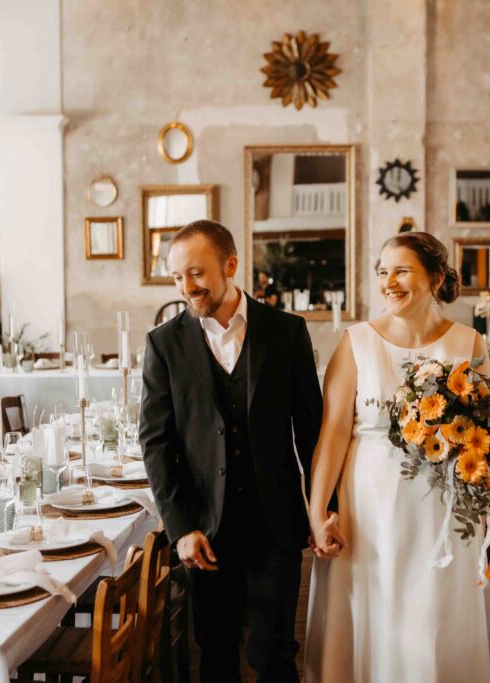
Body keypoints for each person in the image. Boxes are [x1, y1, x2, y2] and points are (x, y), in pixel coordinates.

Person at [304, 231, 490, 682]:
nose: (388, 282)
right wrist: (317, 512)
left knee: (434, 611)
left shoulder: (469, 343)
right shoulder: (356, 342)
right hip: (369, 504)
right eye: (382, 272)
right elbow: (332, 434)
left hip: (444, 507)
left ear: (434, 278)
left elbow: (485, 434)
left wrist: (480, 496)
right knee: (376, 602)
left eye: (401, 271)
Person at [139, 220, 322, 682]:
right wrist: (180, 528)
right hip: (204, 531)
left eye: (196, 273)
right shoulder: (163, 344)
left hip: (275, 527)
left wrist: (325, 511)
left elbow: (312, 432)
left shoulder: (287, 332)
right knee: (216, 657)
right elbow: (156, 442)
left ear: (230, 265)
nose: (187, 287)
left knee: (276, 657)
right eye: (177, 277)